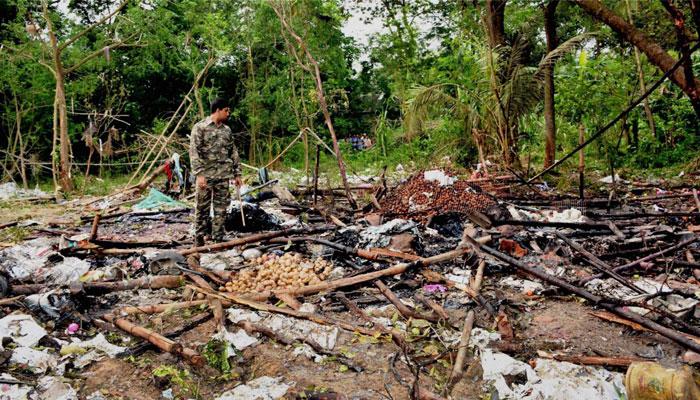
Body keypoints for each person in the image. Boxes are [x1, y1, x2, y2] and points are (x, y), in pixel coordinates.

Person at [189, 98, 242, 247]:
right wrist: (199, 175)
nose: (228, 113)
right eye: (226, 110)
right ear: (218, 110)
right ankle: (199, 240)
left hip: (223, 176)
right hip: (205, 177)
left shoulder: (227, 130)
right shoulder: (200, 128)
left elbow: (233, 152)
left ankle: (217, 239)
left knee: (221, 208)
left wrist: (237, 174)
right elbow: (194, 152)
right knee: (202, 208)